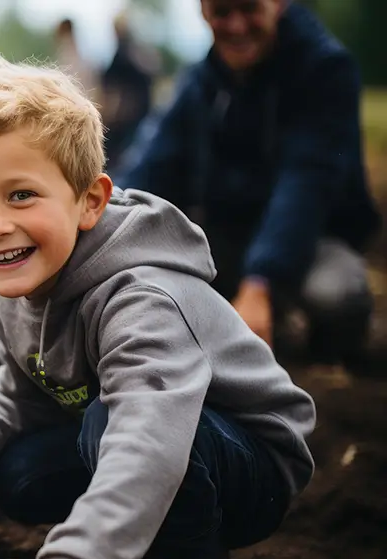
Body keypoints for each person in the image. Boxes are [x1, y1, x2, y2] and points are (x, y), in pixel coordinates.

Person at [0, 55, 316, 559]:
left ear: (90, 201)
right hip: (135, 430)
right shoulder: (16, 288)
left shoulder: (140, 297)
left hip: (245, 462)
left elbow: (147, 436)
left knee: (107, 423)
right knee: (16, 472)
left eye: (21, 195)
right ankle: (122, 530)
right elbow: (14, 396)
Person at [114, 0, 380, 369]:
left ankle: (329, 348)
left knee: (336, 294)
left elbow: (304, 185)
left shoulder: (325, 70)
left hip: (311, 238)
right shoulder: (199, 81)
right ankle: (254, 315)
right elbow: (151, 163)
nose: (237, 26)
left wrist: (261, 282)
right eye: (222, 12)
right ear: (204, 13)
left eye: (250, 9)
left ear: (279, 4)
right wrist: (103, 212)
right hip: (229, 237)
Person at [100, 12, 158, 168]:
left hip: (128, 119)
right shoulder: (136, 54)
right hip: (139, 116)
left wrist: (108, 118)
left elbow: (114, 93)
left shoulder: (123, 56)